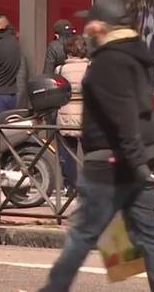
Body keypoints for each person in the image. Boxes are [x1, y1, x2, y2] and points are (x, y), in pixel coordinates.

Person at [39, 0, 154, 292]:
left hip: (111, 163)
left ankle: (53, 289)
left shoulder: (109, 62)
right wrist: (139, 162)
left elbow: (124, 115)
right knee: (151, 234)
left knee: (84, 233)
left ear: (101, 27)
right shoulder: (133, 57)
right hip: (132, 159)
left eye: (90, 22)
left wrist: (135, 161)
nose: (85, 27)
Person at [55, 35, 90, 193]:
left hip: (66, 113)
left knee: (68, 152)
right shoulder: (91, 67)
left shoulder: (60, 70)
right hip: (87, 114)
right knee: (90, 152)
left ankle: (70, 186)